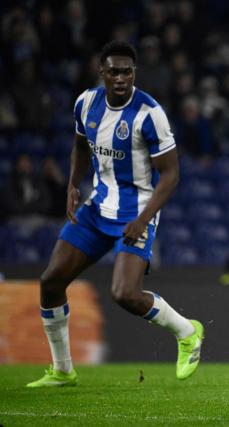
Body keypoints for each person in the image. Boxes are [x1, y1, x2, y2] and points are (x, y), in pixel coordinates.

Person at [26, 41, 204, 388]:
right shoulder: (86, 103)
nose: (121, 77)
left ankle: (187, 332)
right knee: (51, 281)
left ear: (133, 74)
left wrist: (143, 218)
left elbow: (171, 175)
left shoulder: (150, 114)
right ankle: (62, 370)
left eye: (127, 71)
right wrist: (73, 184)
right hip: (96, 209)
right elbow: (79, 144)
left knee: (125, 294)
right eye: (114, 71)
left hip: (136, 212)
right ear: (102, 72)